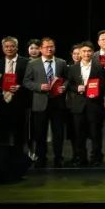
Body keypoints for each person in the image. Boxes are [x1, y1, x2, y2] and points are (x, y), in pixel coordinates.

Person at [23, 38, 68, 168]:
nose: (49, 49)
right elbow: (26, 81)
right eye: (47, 47)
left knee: (58, 132)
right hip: (40, 102)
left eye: (52, 46)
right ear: (41, 49)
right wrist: (39, 86)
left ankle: (58, 158)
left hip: (57, 102)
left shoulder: (61, 62)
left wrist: (64, 87)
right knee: (40, 133)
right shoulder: (33, 63)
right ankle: (41, 158)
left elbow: (67, 79)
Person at [66, 41, 105, 166]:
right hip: (78, 105)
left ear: (93, 53)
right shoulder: (73, 68)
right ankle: (81, 158)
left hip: (94, 104)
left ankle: (96, 158)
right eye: (84, 51)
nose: (86, 53)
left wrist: (95, 91)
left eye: (89, 51)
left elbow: (103, 85)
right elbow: (69, 84)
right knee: (79, 133)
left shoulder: (99, 67)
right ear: (80, 53)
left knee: (95, 133)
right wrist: (76, 88)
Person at [0, 36, 29, 151]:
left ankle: (18, 156)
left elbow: (30, 81)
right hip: (2, 102)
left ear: (17, 48)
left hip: (19, 102)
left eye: (12, 46)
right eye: (6, 46)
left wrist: (20, 87)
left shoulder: (26, 62)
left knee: (19, 133)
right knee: (2, 133)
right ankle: (3, 156)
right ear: (3, 48)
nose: (9, 49)